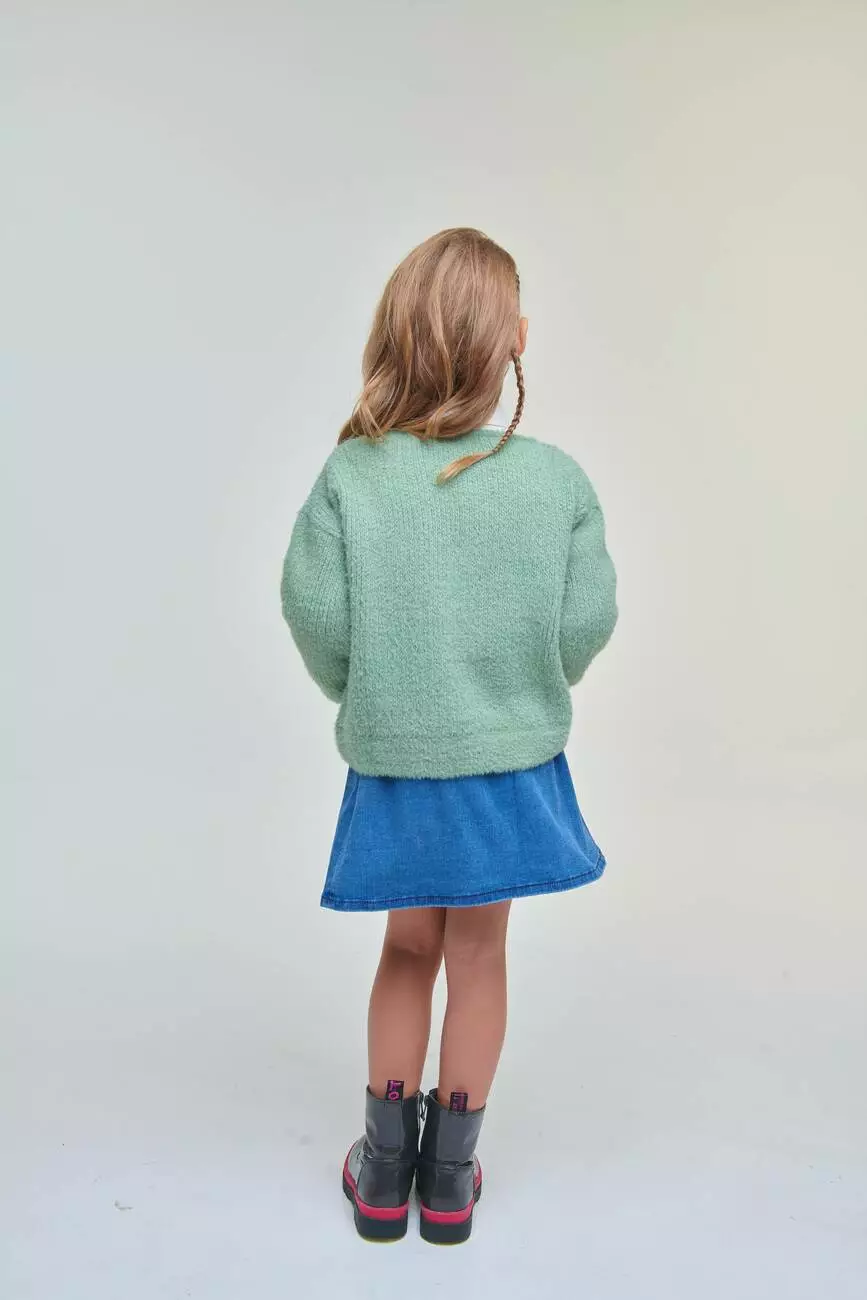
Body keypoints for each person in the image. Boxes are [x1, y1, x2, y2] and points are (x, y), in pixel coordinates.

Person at [280, 227, 617, 1245]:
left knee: (405, 947)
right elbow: (586, 622)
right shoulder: (555, 482)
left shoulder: (353, 475)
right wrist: (523, 686)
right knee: (479, 955)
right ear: (513, 336)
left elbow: (314, 613)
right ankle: (452, 1181)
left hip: (398, 761)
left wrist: (368, 691)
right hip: (505, 763)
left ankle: (384, 1174)